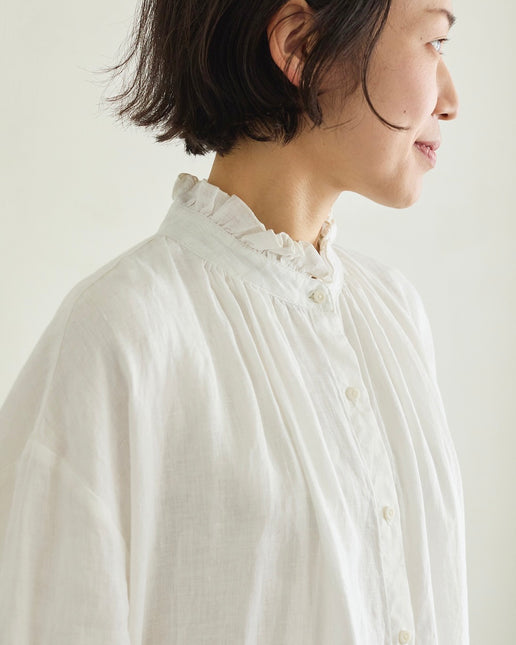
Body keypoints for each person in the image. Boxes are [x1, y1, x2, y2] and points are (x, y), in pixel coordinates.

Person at [0, 0, 469, 643]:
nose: (451, 100)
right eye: (434, 42)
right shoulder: (122, 333)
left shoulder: (394, 314)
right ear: (299, 45)